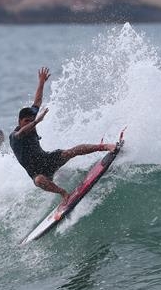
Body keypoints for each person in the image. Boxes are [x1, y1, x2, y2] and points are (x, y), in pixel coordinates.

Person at [9, 67, 116, 200]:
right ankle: (63, 193)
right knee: (39, 181)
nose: (30, 123)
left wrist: (41, 82)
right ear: (19, 121)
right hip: (36, 173)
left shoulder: (30, 118)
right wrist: (36, 122)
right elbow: (22, 132)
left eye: (32, 120)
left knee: (70, 152)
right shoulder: (15, 136)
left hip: (47, 159)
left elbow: (37, 101)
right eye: (26, 121)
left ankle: (104, 146)